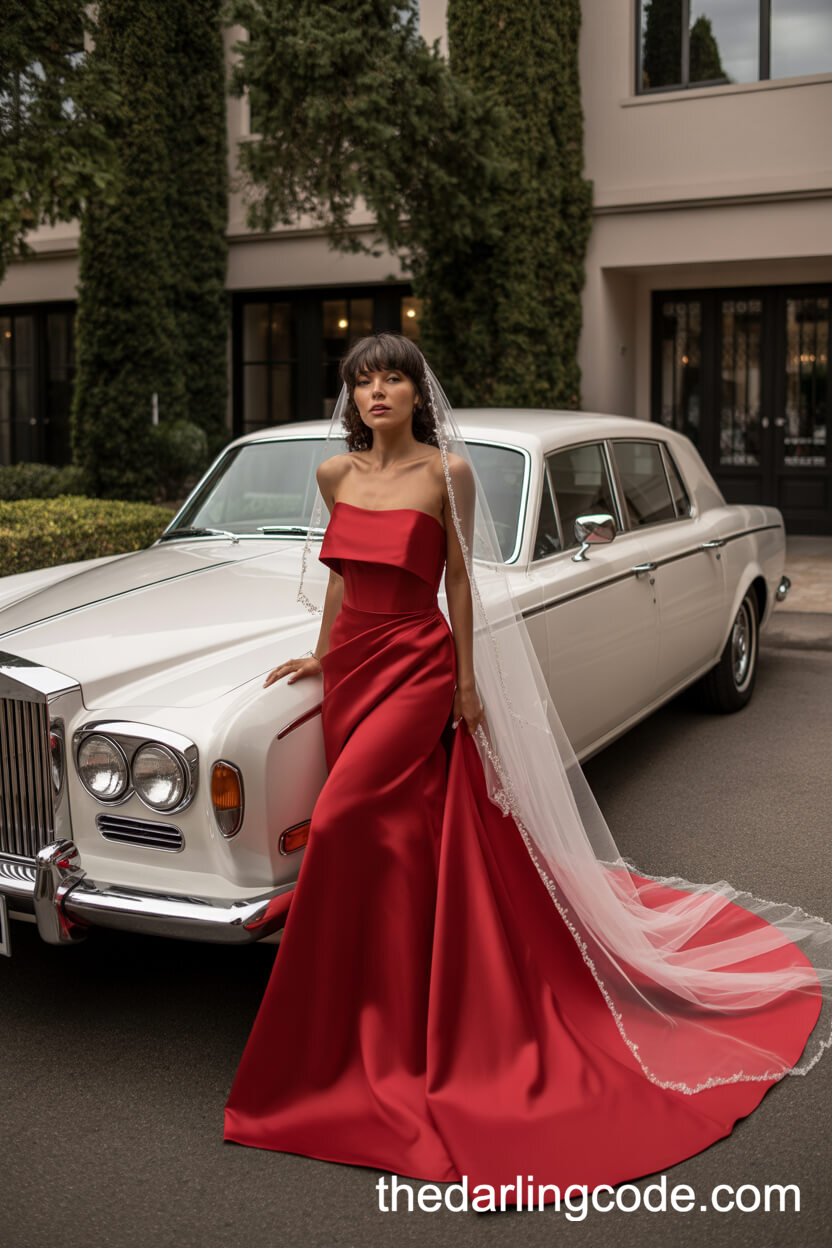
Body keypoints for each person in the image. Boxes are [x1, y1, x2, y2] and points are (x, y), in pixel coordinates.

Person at [224, 333, 830, 1197]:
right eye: (363, 381)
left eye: (392, 377)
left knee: (346, 814)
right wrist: (322, 658)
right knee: (394, 834)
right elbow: (335, 579)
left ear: (416, 392)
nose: (377, 392)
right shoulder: (334, 477)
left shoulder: (448, 475)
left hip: (418, 665)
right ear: (351, 398)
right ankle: (391, 993)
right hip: (355, 666)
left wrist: (465, 680)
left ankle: (365, 1032)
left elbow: (462, 582)